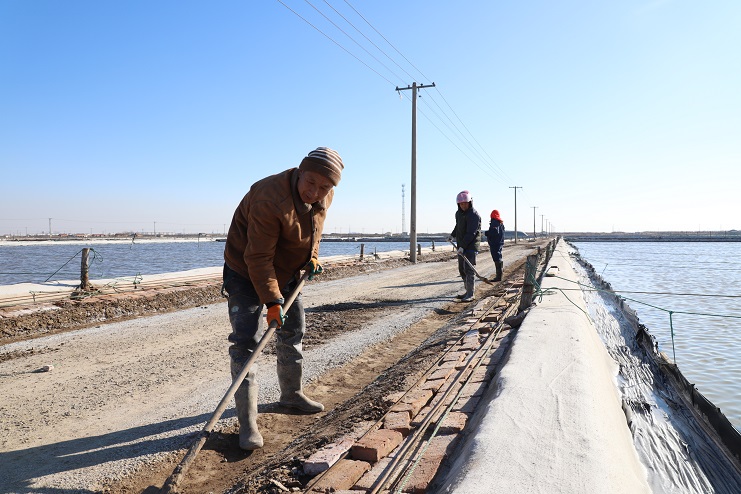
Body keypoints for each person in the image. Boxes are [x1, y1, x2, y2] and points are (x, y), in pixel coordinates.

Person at [222, 146, 344, 450]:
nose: (315, 192)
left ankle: (291, 396)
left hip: (287, 269)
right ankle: (248, 423)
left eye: (324, 187)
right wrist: (273, 302)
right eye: (311, 182)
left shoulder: (324, 194)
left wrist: (312, 256)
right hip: (246, 270)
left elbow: (315, 227)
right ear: (300, 172)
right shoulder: (269, 198)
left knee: (293, 330)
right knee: (246, 343)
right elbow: (258, 258)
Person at [447, 190, 481, 302]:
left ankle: (471, 294)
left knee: (469, 269)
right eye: (461, 204)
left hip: (471, 246)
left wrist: (463, 246)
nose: (463, 206)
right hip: (461, 245)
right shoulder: (458, 214)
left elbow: (471, 233)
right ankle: (467, 291)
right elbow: (458, 226)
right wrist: (452, 235)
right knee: (462, 269)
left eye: (465, 203)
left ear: (470, 202)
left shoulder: (474, 215)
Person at [486, 209, 505, 281]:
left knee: (496, 258)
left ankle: (499, 276)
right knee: (498, 257)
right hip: (499, 243)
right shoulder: (500, 223)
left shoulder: (495, 222)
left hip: (495, 243)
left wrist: (487, 233)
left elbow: (494, 232)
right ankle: (500, 274)